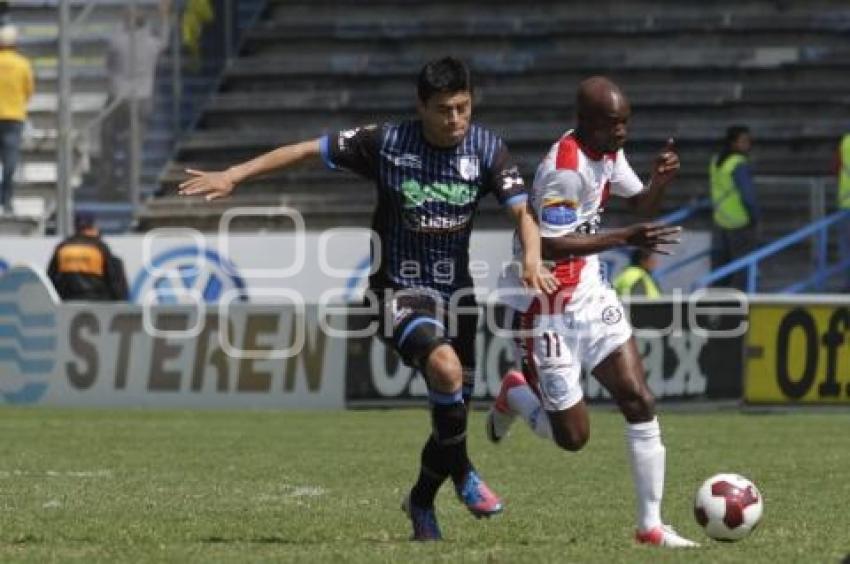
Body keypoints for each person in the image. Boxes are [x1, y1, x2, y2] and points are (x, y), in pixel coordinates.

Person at [178, 56, 557, 541]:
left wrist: (531, 256)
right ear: (421, 106)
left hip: (457, 296)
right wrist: (235, 174)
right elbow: (303, 150)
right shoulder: (386, 143)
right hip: (395, 291)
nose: (455, 119)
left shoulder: (486, 149)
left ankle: (421, 500)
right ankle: (463, 475)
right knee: (444, 371)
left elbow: (524, 213)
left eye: (463, 107)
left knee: (453, 412)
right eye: (443, 109)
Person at [489, 76, 698, 548]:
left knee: (638, 399)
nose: (622, 132)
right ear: (585, 122)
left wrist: (659, 183)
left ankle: (650, 526)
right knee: (572, 438)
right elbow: (550, 245)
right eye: (613, 124)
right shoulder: (566, 169)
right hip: (545, 308)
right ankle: (517, 395)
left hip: (589, 293)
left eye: (626, 123)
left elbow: (638, 201)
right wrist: (625, 237)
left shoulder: (606, 151)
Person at [100, 0, 171, 195]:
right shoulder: (151, 43)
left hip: (118, 97)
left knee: (108, 140)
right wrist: (164, 16)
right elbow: (164, 41)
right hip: (141, 98)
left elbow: (108, 61)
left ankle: (109, 182)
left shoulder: (117, 41)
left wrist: (125, 18)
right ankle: (131, 186)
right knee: (134, 145)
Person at [709, 125, 760, 290]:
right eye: (744, 141)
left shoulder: (716, 161)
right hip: (740, 223)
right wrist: (755, 216)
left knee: (721, 268)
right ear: (733, 143)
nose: (748, 144)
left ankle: (717, 307)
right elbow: (748, 195)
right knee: (742, 269)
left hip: (720, 221)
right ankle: (739, 306)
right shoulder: (738, 164)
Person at [47, 213, 129, 301]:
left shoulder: (62, 247)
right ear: (93, 227)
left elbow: (49, 280)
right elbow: (115, 282)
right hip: (97, 302)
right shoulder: (100, 248)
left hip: (66, 301)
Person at [0, 23, 34, 215]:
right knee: (10, 161)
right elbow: (29, 90)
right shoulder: (22, 64)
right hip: (13, 116)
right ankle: (6, 200)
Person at [834, 132, 850, 290]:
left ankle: (847, 287)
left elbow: (836, 167)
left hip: (846, 204)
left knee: (846, 249)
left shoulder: (845, 140)